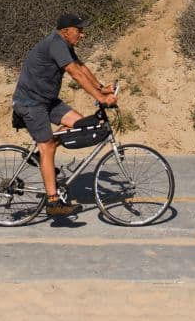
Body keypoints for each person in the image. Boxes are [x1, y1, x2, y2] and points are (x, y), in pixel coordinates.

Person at [12, 13, 117, 217]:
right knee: (48, 145)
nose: (82, 34)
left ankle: (39, 157)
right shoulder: (56, 43)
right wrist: (100, 98)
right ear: (66, 31)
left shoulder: (65, 45)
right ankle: (53, 202)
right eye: (79, 30)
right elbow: (74, 74)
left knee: (79, 124)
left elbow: (81, 67)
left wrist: (102, 88)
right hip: (31, 103)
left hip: (47, 101)